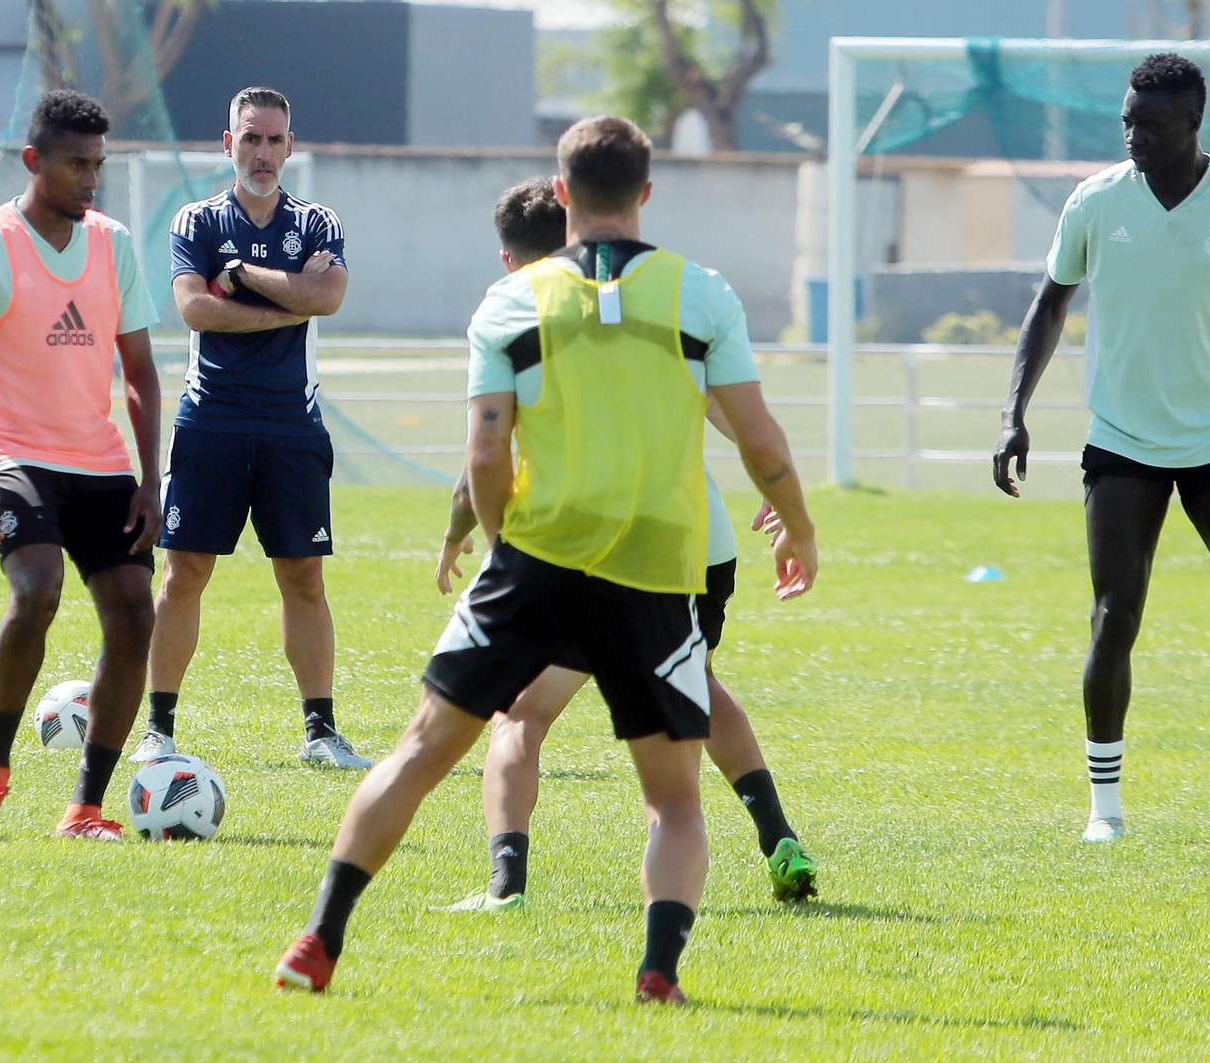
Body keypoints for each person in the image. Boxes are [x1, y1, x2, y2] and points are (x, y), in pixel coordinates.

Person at [272, 116, 819, 1005]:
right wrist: (798, 525)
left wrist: (501, 552)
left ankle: (320, 938)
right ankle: (658, 972)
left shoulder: (510, 302)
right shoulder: (701, 294)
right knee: (674, 796)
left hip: (535, 560)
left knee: (417, 750)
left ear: (561, 195)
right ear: (646, 193)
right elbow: (760, 439)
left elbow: (486, 453)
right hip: (654, 569)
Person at [993, 54, 1210, 845]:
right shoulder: (1094, 202)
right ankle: (1105, 812)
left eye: (1150, 124)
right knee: (1114, 616)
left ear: (1193, 125)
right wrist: (1014, 412)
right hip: (1120, 444)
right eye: (1126, 120)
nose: (1133, 135)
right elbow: (1048, 307)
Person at [433, 176, 818, 913]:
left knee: (519, 712)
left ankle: (505, 883)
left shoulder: (526, 313)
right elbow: (729, 409)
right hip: (700, 542)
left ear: (513, 262)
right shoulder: (651, 304)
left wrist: (459, 536)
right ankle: (779, 838)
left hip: (596, 550)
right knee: (693, 681)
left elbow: (483, 457)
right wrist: (778, 495)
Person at [0, 90, 163, 841]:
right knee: (37, 589)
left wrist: (152, 480)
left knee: (133, 613)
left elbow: (142, 373)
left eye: (98, 164)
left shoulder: (114, 244)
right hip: (13, 454)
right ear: (35, 161)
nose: (90, 179)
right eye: (76, 164)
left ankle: (85, 807)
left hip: (99, 461)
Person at [134, 86, 370, 770]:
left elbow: (328, 296)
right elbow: (196, 310)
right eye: (250, 138)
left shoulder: (319, 221)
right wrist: (288, 300)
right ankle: (159, 727)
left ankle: (321, 731)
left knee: (303, 576)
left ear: (290, 146)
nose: (261, 153)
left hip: (292, 424)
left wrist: (241, 276)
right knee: (184, 573)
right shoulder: (196, 221)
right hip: (211, 418)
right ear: (226, 142)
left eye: (273, 140)